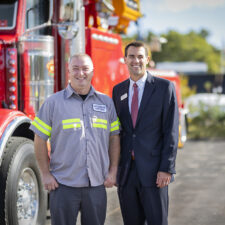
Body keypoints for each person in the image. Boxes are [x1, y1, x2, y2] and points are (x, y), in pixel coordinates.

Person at [30, 53, 120, 225]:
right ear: (69, 71)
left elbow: (114, 138)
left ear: (92, 72)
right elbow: (39, 139)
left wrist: (113, 170)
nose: (81, 73)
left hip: (96, 185)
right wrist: (45, 174)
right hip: (63, 186)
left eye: (85, 68)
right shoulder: (53, 103)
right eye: (76, 69)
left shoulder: (106, 103)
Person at [112, 41, 179, 225]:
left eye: (140, 56)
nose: (136, 60)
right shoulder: (118, 91)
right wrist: (114, 169)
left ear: (148, 59)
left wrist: (166, 168)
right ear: (125, 60)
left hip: (154, 171)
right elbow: (118, 132)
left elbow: (171, 131)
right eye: (131, 56)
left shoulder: (164, 88)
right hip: (127, 173)